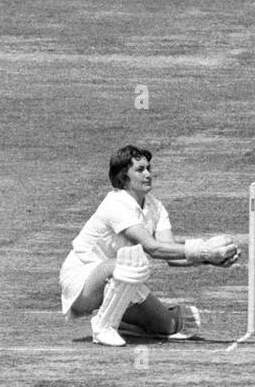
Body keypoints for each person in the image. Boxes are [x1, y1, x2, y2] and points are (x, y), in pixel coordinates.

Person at [59, 145, 240, 347]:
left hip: (121, 279)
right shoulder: (116, 203)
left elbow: (168, 251)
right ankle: (103, 327)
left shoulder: (155, 206)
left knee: (170, 326)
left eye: (148, 168)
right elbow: (153, 248)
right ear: (123, 177)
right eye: (139, 170)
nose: (147, 174)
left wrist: (209, 258)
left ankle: (120, 321)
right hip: (83, 279)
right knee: (134, 262)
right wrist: (203, 250)